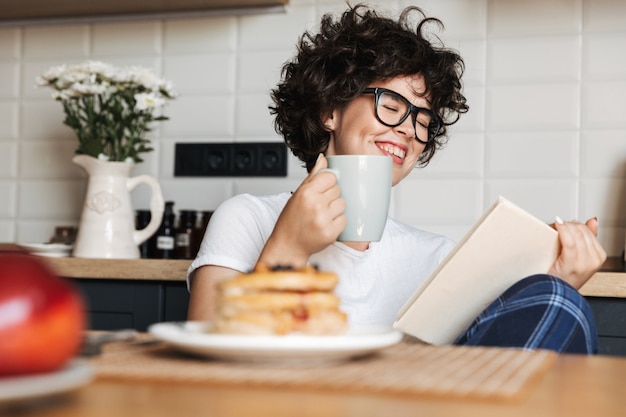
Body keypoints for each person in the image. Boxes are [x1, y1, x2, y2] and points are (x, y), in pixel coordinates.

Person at [186, 4, 607, 354]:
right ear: (328, 110)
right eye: (391, 103)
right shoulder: (248, 219)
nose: (408, 129)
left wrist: (557, 281)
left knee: (556, 300)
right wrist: (289, 248)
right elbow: (204, 375)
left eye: (422, 119)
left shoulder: (437, 260)